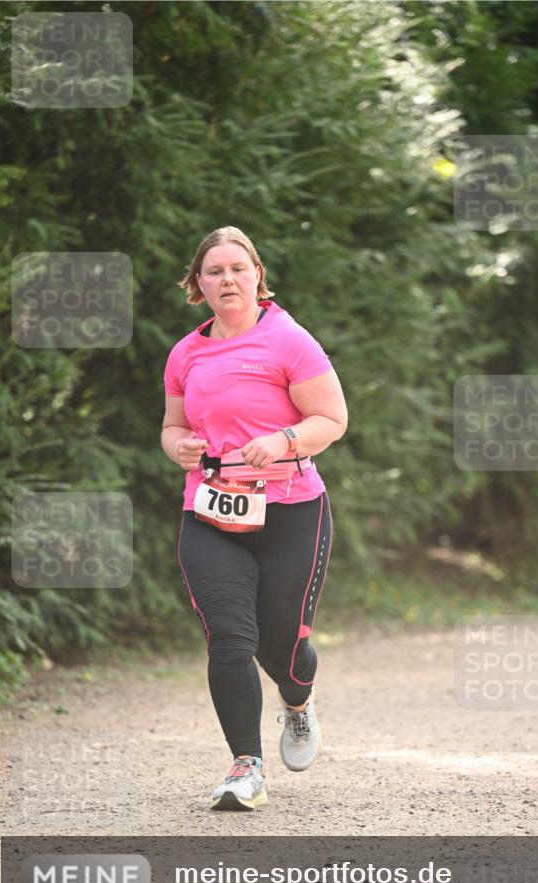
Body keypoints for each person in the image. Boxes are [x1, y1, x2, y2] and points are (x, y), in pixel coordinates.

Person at [161, 226, 347, 810]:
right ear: (198, 285)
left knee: (279, 647)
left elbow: (333, 419)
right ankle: (246, 765)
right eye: (213, 272)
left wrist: (285, 438)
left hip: (291, 510)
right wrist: (180, 448)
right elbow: (171, 429)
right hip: (211, 509)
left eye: (238, 268)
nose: (227, 280)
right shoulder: (186, 352)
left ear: (257, 275)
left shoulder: (289, 340)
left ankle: (297, 701)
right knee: (229, 637)